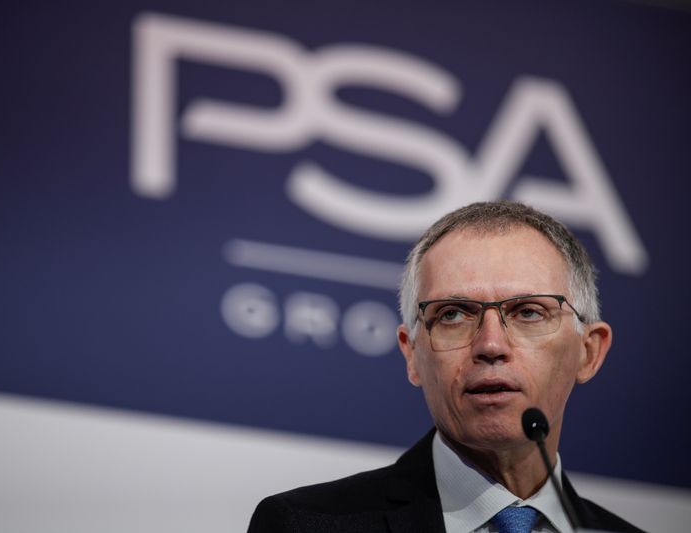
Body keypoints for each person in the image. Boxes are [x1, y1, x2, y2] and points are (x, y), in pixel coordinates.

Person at [247, 201, 644, 533]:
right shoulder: (302, 525)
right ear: (412, 354)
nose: (490, 345)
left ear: (588, 352)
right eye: (453, 314)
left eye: (528, 312)